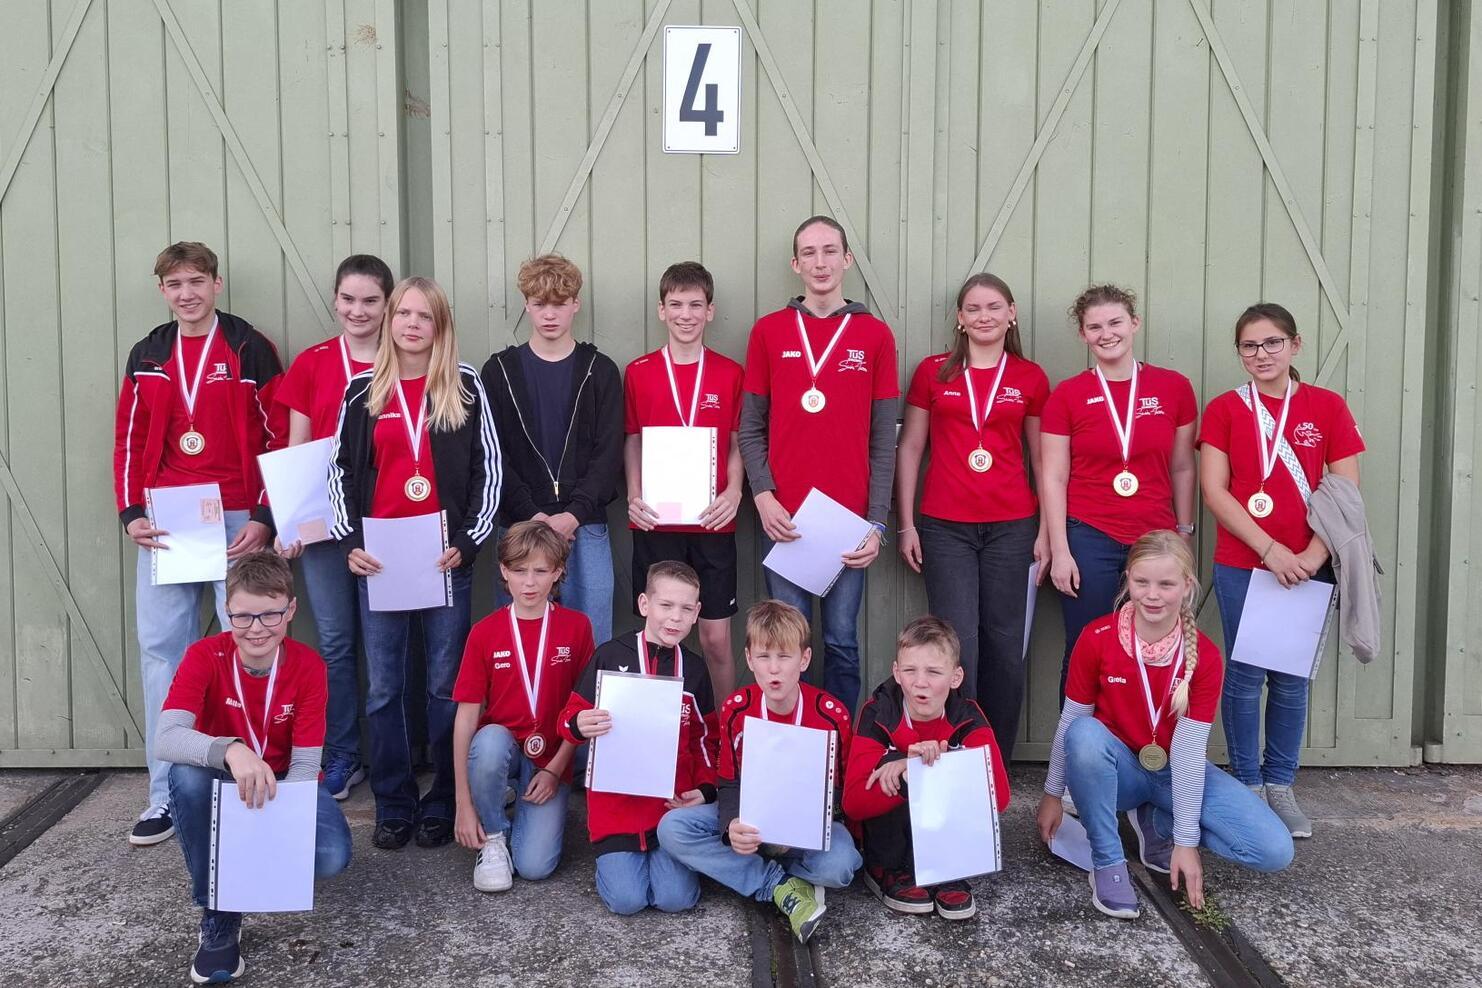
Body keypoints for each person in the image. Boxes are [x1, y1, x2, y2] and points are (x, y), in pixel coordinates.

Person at [114, 241, 284, 846]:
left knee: (252, 641)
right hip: (169, 516)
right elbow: (130, 438)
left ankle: (251, 779)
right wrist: (132, 510)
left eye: (196, 281)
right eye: (174, 284)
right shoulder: (148, 354)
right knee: (164, 649)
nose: (186, 293)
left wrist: (265, 513)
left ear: (216, 283)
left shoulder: (247, 347)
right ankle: (164, 792)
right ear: (163, 290)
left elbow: (276, 433)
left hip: (237, 513)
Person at [1036, 531, 1293, 920]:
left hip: (1173, 769)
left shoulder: (1204, 656)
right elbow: (1072, 719)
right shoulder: (1097, 638)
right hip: (1119, 774)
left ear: (1187, 587)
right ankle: (1108, 863)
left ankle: (1158, 822)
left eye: (1166, 584)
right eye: (1141, 582)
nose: (1152, 594)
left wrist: (1186, 842)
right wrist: (1052, 795)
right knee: (1083, 735)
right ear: (1128, 581)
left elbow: (1189, 754)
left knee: (1274, 849)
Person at [328, 276, 501, 850]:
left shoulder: (466, 385)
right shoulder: (361, 389)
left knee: (444, 686)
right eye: (402, 313)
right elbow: (339, 473)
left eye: (424, 316)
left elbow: (487, 471)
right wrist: (350, 538)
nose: (411, 324)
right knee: (383, 688)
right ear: (389, 320)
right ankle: (395, 802)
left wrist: (471, 541)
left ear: (440, 326)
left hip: (443, 556)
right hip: (380, 559)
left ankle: (443, 801)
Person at [1198, 303, 1364, 838]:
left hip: (1309, 565)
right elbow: (1214, 490)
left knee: (1291, 680)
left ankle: (1281, 784)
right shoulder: (1225, 409)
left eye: (1272, 343)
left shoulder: (1327, 408)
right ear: (1240, 353)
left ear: (1296, 345)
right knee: (1245, 677)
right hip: (1246, 563)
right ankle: (1247, 783)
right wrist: (1269, 549)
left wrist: (1315, 556)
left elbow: (1345, 492)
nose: (1261, 354)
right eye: (1249, 345)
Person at [154, 551, 350, 984]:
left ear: (291, 610)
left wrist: (282, 833)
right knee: (185, 777)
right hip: (224, 775)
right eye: (243, 617)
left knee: (332, 857)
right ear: (228, 611)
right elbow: (166, 738)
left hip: (284, 780)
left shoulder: (308, 666)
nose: (256, 629)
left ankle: (250, 864)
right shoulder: (205, 654)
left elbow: (304, 765)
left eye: (269, 615)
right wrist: (233, 751)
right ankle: (220, 916)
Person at [739, 216, 899, 712]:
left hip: (848, 522)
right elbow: (750, 427)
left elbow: (883, 440)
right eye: (809, 253)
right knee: (785, 645)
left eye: (830, 251)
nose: (820, 262)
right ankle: (792, 741)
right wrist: (762, 496)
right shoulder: (769, 332)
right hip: (784, 517)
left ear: (847, 259)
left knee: (842, 641)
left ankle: (843, 746)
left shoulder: (874, 336)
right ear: (796, 264)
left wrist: (876, 523)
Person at [895, 273, 1051, 761]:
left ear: (1012, 313)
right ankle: (958, 752)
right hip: (945, 529)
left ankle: (995, 759)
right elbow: (911, 449)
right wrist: (906, 524)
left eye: (994, 307)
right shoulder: (933, 372)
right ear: (960, 320)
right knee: (957, 647)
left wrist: (1047, 530)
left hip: (1012, 528)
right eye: (973, 309)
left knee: (1005, 649)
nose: (984, 316)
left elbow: (1043, 460)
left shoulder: (1029, 377)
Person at [657, 600, 860, 943]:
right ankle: (779, 885)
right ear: (750, 660)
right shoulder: (737, 709)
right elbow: (729, 780)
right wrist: (731, 825)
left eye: (785, 657)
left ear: (805, 659)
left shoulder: (831, 715)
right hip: (750, 822)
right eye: (764, 658)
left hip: (804, 828)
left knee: (841, 866)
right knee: (673, 828)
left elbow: (842, 791)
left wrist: (801, 827)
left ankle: (762, 869)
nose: (774, 669)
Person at [273, 253, 396, 800]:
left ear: (388, 304)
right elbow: (296, 448)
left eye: (370, 300)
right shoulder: (313, 362)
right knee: (337, 644)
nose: (358, 310)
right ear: (335, 300)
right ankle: (343, 753)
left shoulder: (406, 359)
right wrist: (288, 520)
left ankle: (397, 752)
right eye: (348, 299)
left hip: (386, 526)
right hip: (323, 529)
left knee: (386, 644)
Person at [1041, 285, 1198, 701]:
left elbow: (1183, 466)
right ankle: (1077, 755)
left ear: (1134, 323)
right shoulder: (1067, 395)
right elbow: (1053, 477)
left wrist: (1184, 532)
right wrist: (1061, 551)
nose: (1106, 333)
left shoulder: (1174, 388)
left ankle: (1144, 753)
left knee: (1153, 648)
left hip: (1154, 539)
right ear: (1083, 335)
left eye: (1114, 322)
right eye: (1094, 326)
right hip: (1088, 535)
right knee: (1085, 646)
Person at [558, 561, 716, 915]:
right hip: (617, 810)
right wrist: (580, 723)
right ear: (645, 605)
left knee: (675, 899)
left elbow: (707, 739)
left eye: (686, 608)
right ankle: (619, 863)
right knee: (627, 901)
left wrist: (706, 790)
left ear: (697, 614)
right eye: (666, 606)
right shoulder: (610, 656)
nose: (675, 618)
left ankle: (667, 862)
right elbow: (567, 718)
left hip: (670, 810)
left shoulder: (694, 669)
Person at [481, 254, 623, 644]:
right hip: (522, 525)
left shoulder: (600, 370)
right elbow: (494, 454)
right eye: (540, 303)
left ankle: (587, 708)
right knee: (521, 640)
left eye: (559, 304)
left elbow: (608, 454)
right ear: (526, 304)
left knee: (592, 637)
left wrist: (573, 515)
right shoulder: (500, 372)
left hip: (586, 526)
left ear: (576, 304)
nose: (549, 314)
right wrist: (534, 514)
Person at [451, 520, 595, 891]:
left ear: (558, 573)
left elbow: (582, 711)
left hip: (553, 756)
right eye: (519, 571)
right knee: (490, 741)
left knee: (535, 867)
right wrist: (463, 805)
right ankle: (494, 836)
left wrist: (555, 769)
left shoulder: (577, 627)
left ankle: (516, 800)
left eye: (540, 571)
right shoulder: (484, 632)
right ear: (504, 571)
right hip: (502, 747)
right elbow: (466, 718)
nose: (529, 582)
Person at [624, 261, 745, 702]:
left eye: (696, 304)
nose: (686, 314)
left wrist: (734, 492)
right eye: (676, 304)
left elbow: (737, 441)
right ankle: (660, 738)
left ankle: (721, 734)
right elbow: (633, 441)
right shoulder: (638, 371)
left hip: (713, 523)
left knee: (714, 639)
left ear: (710, 311)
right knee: (658, 637)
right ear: (661, 310)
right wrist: (634, 496)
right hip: (656, 522)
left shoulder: (731, 373)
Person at [843, 616, 1010, 921]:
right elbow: (853, 803)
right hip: (889, 836)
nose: (920, 682)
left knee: (952, 769)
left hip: (945, 841)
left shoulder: (966, 716)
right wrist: (906, 770)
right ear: (896, 672)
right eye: (909, 670)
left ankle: (948, 869)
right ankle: (887, 868)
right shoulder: (879, 712)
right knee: (892, 770)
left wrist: (944, 766)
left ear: (955, 677)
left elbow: (997, 797)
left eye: (934, 672)